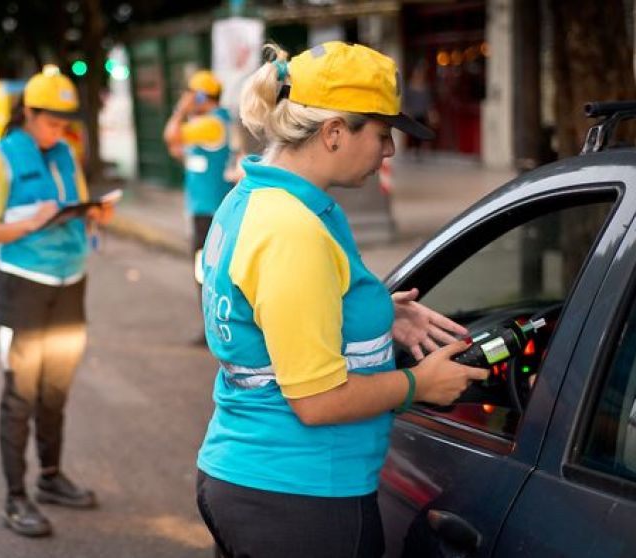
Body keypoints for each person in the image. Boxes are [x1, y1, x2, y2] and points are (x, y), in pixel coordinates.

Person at [194, 42, 489, 558]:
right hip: (300, 500)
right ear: (333, 132)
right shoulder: (292, 230)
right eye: (382, 133)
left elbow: (268, 316)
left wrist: (379, 312)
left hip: (254, 481)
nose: (390, 150)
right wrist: (420, 384)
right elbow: (317, 401)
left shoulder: (259, 199)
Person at [0, 64, 114, 538]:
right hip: (24, 289)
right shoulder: (1, 159)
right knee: (21, 396)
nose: (60, 130)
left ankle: (51, 478)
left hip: (70, 284)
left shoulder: (65, 153)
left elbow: (74, 209)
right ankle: (16, 497)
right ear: (29, 113)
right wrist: (32, 222)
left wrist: (94, 213)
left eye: (64, 122)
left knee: (56, 391)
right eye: (51, 122)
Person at [163, 70, 235, 340]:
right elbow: (180, 150)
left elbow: (170, 136)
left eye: (190, 94)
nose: (187, 98)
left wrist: (181, 111)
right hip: (206, 209)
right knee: (207, 271)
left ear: (202, 96)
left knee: (206, 273)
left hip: (209, 212)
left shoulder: (210, 124)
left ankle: (215, 331)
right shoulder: (208, 124)